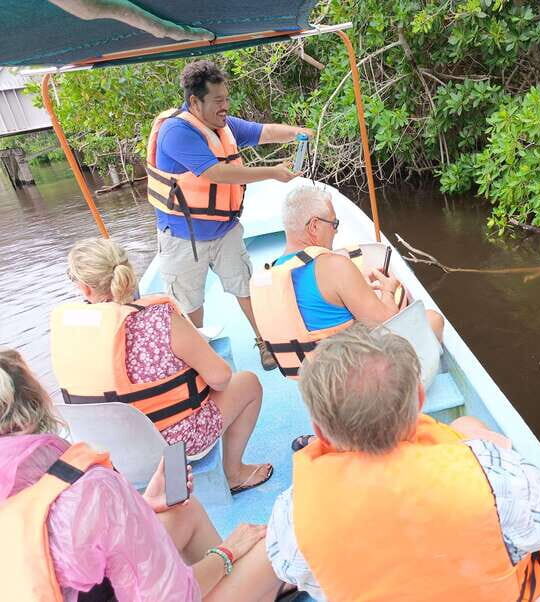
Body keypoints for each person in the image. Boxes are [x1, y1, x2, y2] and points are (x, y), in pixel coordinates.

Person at [265, 324, 540, 601]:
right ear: (419, 399)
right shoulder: (488, 472)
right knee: (470, 429)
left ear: (319, 430)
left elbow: (293, 571)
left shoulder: (293, 510)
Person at [0, 348, 287, 602]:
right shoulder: (89, 487)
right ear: (35, 406)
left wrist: (140, 508)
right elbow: (170, 596)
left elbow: (48, 543)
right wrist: (228, 552)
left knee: (185, 511)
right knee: (270, 547)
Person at [51, 237, 272, 494]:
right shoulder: (161, 320)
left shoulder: (71, 332)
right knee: (247, 382)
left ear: (86, 289)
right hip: (172, 452)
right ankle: (234, 474)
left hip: (109, 453)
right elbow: (220, 378)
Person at [146, 59, 313, 370]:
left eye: (227, 99)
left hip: (224, 227)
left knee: (245, 286)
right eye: (218, 101)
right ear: (195, 101)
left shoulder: (222, 125)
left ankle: (265, 341)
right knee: (190, 303)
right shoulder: (176, 132)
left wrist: (297, 132)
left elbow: (263, 132)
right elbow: (216, 173)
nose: (226, 107)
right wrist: (273, 173)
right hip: (184, 237)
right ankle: (199, 357)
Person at [250, 184, 445, 377]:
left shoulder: (269, 277)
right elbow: (387, 322)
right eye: (334, 224)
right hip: (358, 383)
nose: (336, 231)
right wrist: (388, 289)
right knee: (433, 319)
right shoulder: (334, 266)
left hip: (319, 387)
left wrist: (357, 286)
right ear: (314, 226)